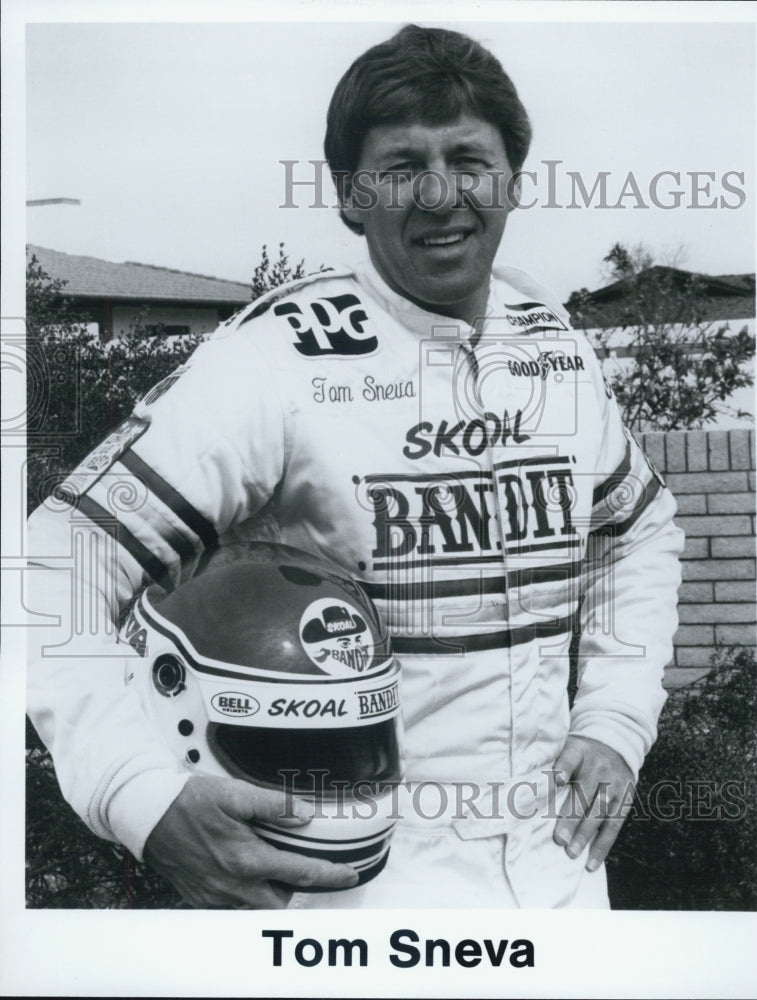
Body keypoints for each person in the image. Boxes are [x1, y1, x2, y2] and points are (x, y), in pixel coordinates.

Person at [27, 24, 683, 909]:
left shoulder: (549, 343)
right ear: (348, 196)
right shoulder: (272, 362)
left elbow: (637, 531)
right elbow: (46, 565)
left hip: (561, 877)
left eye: (468, 158)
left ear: (513, 180)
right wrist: (138, 795)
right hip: (351, 890)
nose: (442, 193)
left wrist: (614, 720)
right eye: (402, 165)